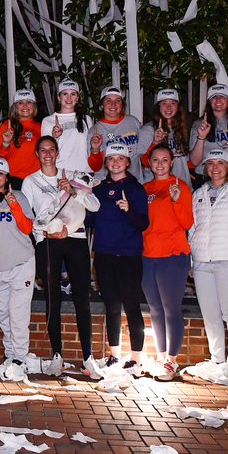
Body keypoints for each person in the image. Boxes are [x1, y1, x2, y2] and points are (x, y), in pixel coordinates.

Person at [21, 136, 100, 378]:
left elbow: (94, 205)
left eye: (51, 150)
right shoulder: (30, 181)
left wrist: (74, 192)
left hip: (76, 240)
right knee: (52, 298)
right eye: (42, 150)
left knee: (82, 299)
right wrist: (45, 234)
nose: (47, 154)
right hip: (50, 242)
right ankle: (57, 356)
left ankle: (88, 357)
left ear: (57, 152)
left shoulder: (72, 175)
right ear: (37, 154)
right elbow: (28, 218)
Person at [189, 148, 228, 382]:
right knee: (210, 314)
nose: (215, 168)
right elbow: (192, 228)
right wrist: (191, 258)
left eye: (220, 163)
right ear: (205, 168)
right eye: (211, 163)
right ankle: (217, 360)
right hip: (202, 262)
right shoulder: (198, 193)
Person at [87, 143, 150, 373]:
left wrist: (128, 209)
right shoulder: (99, 189)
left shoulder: (135, 189)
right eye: (111, 158)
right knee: (111, 306)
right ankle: (114, 355)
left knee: (132, 306)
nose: (115, 162)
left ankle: (136, 358)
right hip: (104, 254)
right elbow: (90, 221)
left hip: (128, 256)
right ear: (106, 162)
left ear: (127, 162)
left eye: (120, 159)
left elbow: (143, 223)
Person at [142, 146, 195, 381]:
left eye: (164, 160)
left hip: (172, 255)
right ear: (149, 163)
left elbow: (187, 222)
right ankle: (161, 356)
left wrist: (176, 200)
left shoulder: (179, 187)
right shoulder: (145, 189)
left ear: (172, 162)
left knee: (171, 308)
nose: (160, 164)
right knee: (155, 309)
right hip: (148, 255)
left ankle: (172, 361)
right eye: (155, 160)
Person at [0, 158, 36, 381]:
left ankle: (20, 359)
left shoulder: (19, 197)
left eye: (0, 174)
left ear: (7, 178)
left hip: (21, 264)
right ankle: (11, 356)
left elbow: (27, 227)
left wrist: (13, 204)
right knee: (3, 316)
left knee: (18, 316)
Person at [87, 86, 144, 180]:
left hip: (134, 183)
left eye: (118, 100)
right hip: (107, 185)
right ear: (102, 105)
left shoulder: (133, 122)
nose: (113, 104)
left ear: (122, 105)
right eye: (108, 100)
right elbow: (95, 167)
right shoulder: (95, 131)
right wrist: (95, 150)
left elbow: (143, 155)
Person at [188, 83, 228, 179]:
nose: (218, 100)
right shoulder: (199, 125)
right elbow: (194, 161)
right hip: (207, 177)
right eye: (214, 97)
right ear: (209, 101)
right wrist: (201, 137)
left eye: (222, 96)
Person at [139, 89, 192, 183]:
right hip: (158, 188)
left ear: (178, 106)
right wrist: (155, 143)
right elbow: (144, 163)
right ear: (158, 106)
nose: (168, 107)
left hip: (182, 185)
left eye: (173, 103)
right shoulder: (148, 130)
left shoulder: (182, 128)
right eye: (164, 103)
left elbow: (186, 161)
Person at [40, 80, 90, 174]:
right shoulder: (48, 121)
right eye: (65, 94)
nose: (69, 98)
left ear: (77, 98)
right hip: (61, 173)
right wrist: (55, 138)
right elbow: (45, 151)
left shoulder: (86, 119)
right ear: (59, 98)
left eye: (73, 94)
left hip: (85, 173)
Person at [0, 89, 40, 185]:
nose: (25, 106)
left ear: (34, 106)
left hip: (37, 180)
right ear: (15, 107)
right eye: (20, 103)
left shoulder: (41, 127)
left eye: (29, 102)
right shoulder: (6, 126)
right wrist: (5, 143)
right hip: (14, 180)